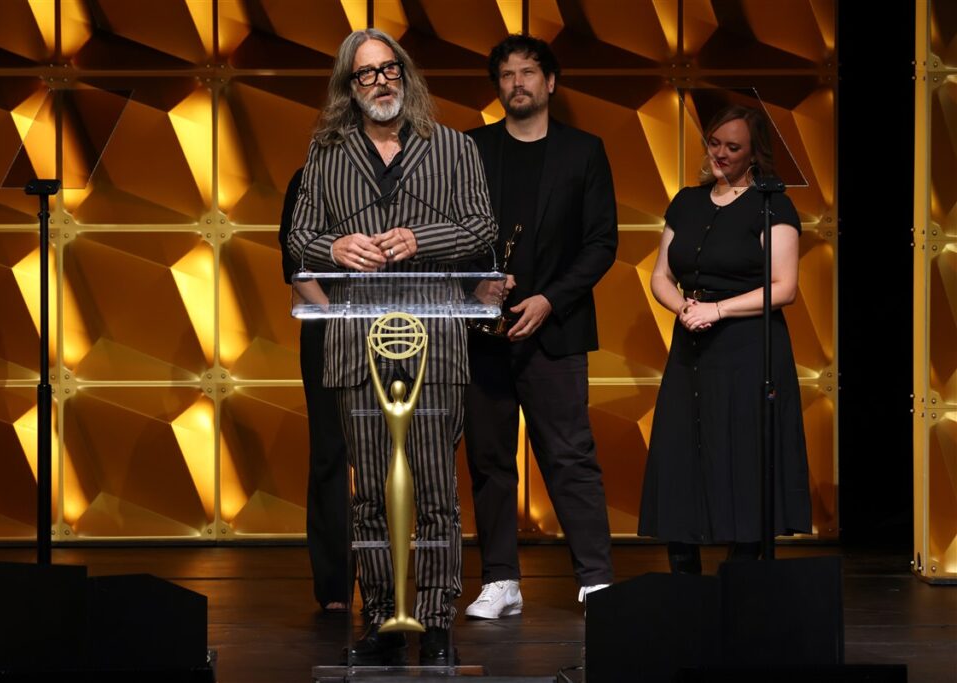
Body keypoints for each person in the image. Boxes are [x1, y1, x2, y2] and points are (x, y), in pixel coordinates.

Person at [287, 29, 497, 666]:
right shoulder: (326, 154)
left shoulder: (454, 147)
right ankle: (382, 618)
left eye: (389, 70)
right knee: (370, 494)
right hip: (358, 341)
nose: (380, 82)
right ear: (348, 87)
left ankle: (434, 621)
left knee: (434, 488)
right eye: (366, 73)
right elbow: (299, 237)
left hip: (434, 335)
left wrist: (419, 239)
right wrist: (334, 247)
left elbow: (481, 227)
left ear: (405, 75)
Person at [462, 34, 617, 620]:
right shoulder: (472, 148)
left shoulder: (584, 151)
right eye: (506, 75)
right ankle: (500, 579)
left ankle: (596, 580)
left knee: (569, 455)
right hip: (484, 331)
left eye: (528, 72)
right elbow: (449, 234)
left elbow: (602, 242)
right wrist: (476, 285)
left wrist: (549, 300)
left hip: (556, 330)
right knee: (489, 459)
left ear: (550, 82)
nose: (517, 83)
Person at [637, 104, 812, 573]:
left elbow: (784, 287)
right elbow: (660, 275)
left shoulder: (772, 205)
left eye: (733, 147)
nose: (720, 154)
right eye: (714, 143)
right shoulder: (686, 202)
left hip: (748, 349)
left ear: (754, 152)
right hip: (692, 345)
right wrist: (684, 309)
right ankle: (685, 578)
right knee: (681, 451)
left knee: (742, 454)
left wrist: (717, 310)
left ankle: (742, 575)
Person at [278, 168, 352, 613]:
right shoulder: (310, 178)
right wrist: (338, 316)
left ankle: (396, 584)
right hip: (327, 326)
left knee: (398, 453)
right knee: (330, 451)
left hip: (398, 324)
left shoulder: (412, 173)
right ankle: (335, 585)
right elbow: (296, 265)